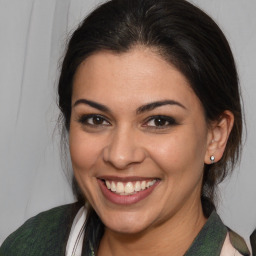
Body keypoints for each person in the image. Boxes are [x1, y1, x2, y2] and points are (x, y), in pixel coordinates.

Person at [0, 0, 251, 255]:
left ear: (216, 136)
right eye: (96, 120)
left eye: (158, 121)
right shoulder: (31, 243)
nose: (119, 156)